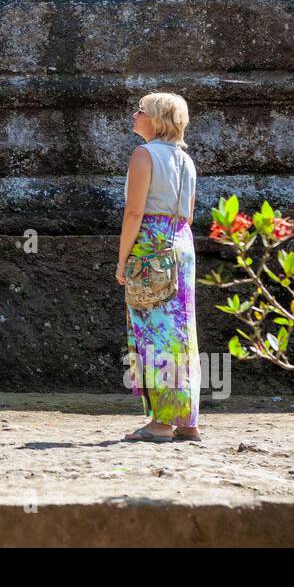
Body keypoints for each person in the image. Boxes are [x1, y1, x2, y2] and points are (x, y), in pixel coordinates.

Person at [115, 92, 201, 442]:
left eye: (141, 111)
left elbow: (134, 212)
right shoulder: (187, 160)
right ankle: (187, 420)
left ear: (155, 119)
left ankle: (162, 421)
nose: (135, 115)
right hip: (181, 244)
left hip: (151, 245)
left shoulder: (144, 155)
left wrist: (122, 260)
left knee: (155, 332)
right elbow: (189, 215)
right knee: (182, 331)